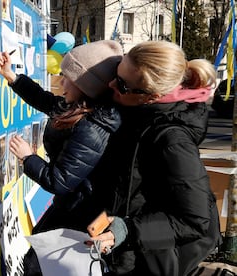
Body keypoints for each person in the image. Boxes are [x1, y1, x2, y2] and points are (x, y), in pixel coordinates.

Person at [88, 41, 222, 276]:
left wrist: (126, 230)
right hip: (119, 252)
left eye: (121, 84)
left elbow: (194, 219)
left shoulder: (173, 140)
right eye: (116, 71)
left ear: (153, 96)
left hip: (146, 260)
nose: (111, 85)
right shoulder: (136, 111)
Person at [0, 40, 123, 275]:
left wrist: (28, 157)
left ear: (85, 84)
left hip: (80, 216)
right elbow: (44, 100)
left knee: (40, 265)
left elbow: (61, 181)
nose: (61, 81)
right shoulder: (79, 108)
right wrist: (12, 77)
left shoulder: (92, 127)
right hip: (72, 208)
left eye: (67, 76)